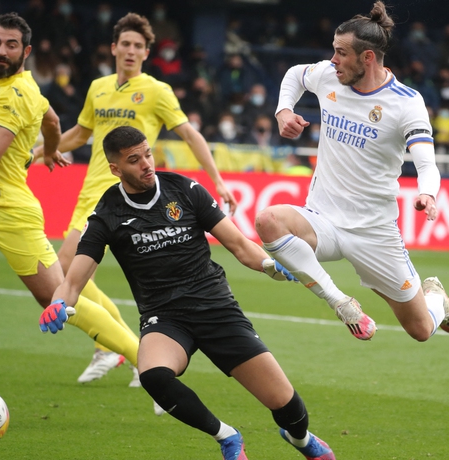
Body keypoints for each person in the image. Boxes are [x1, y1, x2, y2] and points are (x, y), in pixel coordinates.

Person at [44, 125, 335, 460]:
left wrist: (270, 266)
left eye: (148, 154)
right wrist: (57, 305)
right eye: (134, 160)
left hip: (216, 308)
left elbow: (239, 244)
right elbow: (73, 281)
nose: (146, 164)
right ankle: (227, 437)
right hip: (165, 318)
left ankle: (301, 440)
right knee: (153, 374)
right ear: (115, 168)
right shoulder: (107, 213)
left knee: (285, 404)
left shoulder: (184, 189)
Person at [34, 12, 239, 385]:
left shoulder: (157, 91)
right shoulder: (98, 87)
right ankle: (110, 347)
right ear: (114, 48)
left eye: (138, 46)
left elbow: (190, 135)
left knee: (63, 268)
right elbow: (80, 134)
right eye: (124, 44)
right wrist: (37, 150)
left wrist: (218, 181)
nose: (130, 51)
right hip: (90, 193)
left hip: (128, 197)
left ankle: (122, 348)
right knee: (68, 273)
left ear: (147, 52)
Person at [254, 1, 449, 342]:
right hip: (322, 218)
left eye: (341, 53)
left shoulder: (405, 103)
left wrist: (427, 192)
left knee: (420, 329)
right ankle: (342, 303)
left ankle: (437, 298)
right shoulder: (327, 76)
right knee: (268, 221)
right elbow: (294, 75)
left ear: (367, 58)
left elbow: (427, 164)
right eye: (333, 51)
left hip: (373, 232)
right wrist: (284, 110)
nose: (332, 60)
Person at [0, 13, 139, 371]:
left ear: (25, 51)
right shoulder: (23, 89)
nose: (1, 51)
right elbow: (53, 121)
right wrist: (52, 148)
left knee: (59, 300)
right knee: (63, 297)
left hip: (11, 214)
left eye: (11, 45)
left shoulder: (15, 95)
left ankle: (144, 360)